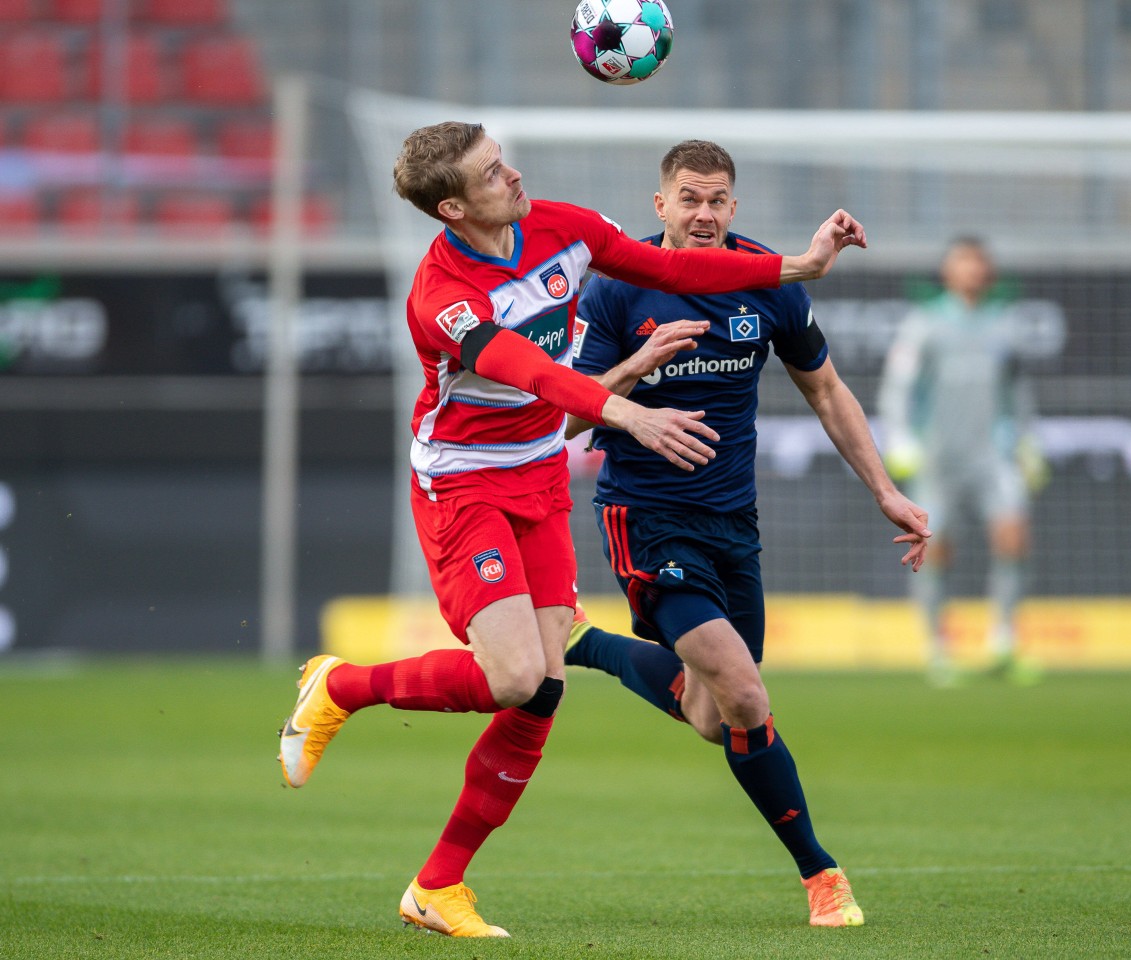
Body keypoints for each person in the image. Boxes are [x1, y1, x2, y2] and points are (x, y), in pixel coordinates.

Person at [275, 122, 870, 939]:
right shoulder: (441, 298)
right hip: (464, 484)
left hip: (540, 474)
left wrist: (799, 266)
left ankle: (439, 887)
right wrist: (628, 407)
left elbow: (669, 265)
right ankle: (341, 687)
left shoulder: (562, 225)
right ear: (454, 206)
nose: (513, 174)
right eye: (492, 172)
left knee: (555, 689)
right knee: (517, 677)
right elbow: (534, 373)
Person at [563, 140, 931, 928]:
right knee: (748, 695)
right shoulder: (617, 288)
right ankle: (822, 877)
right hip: (645, 516)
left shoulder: (765, 281)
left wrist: (887, 491)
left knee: (712, 714)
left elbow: (827, 391)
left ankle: (581, 643)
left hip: (734, 522)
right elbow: (566, 410)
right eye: (689, 199)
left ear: (735, 208)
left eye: (718, 200)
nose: (704, 213)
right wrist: (639, 366)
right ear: (660, 205)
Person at [876, 236, 1046, 687]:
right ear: (949, 272)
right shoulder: (925, 324)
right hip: (939, 458)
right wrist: (901, 438)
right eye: (962, 262)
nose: (971, 270)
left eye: (978, 262)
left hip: (993, 455)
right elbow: (899, 387)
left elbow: (1017, 391)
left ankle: (1003, 644)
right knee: (936, 548)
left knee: (1013, 537)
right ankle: (937, 649)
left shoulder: (1005, 326)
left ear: (987, 271)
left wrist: (1026, 442)